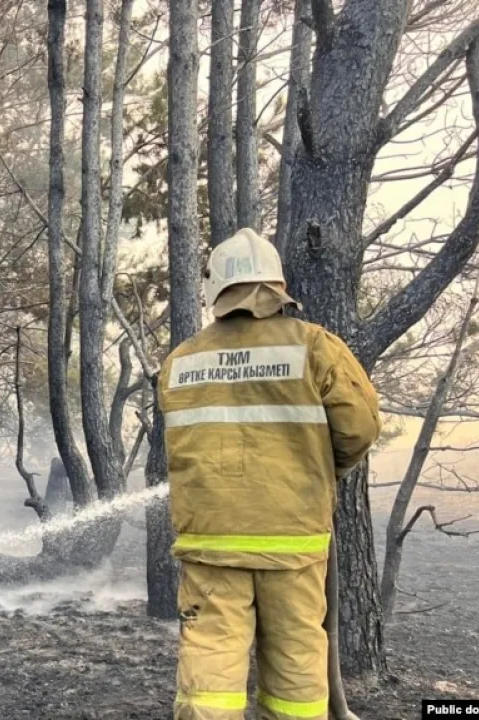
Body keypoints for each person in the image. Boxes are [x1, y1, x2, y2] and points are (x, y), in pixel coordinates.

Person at [158, 228, 382, 720]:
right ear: (277, 286)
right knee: (297, 660)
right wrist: (319, 470)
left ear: (215, 289)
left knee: (210, 661)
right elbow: (360, 428)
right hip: (293, 539)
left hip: (212, 543)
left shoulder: (180, 362)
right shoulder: (315, 347)